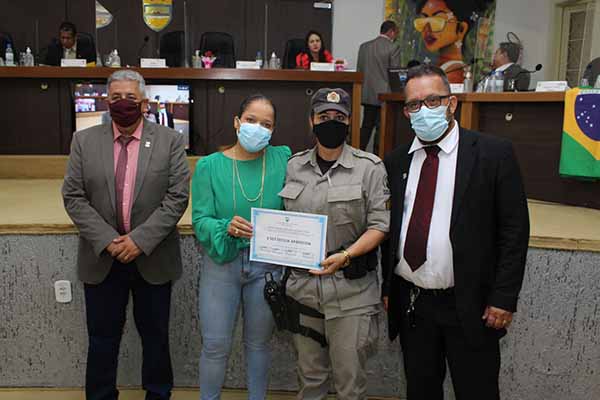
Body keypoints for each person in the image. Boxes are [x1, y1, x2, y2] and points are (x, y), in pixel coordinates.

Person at [381, 64, 530, 399]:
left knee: (477, 391)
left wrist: (503, 298)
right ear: (406, 112)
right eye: (414, 104)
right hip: (413, 305)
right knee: (420, 390)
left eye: (433, 100)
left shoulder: (493, 154)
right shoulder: (396, 162)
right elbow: (390, 229)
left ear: (452, 103)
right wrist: (389, 287)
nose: (424, 110)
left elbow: (514, 231)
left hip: (471, 305)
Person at [62, 69, 190, 400]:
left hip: (153, 256)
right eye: (116, 97)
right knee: (102, 339)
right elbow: (73, 197)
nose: (123, 103)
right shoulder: (84, 141)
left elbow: (177, 198)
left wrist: (139, 241)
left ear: (144, 103)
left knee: (156, 338)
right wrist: (108, 240)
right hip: (102, 258)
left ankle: (158, 395)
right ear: (107, 101)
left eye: (131, 97)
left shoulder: (171, 141)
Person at [281, 88, 390, 400]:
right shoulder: (294, 166)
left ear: (349, 122)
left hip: (351, 293)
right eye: (324, 116)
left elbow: (380, 225)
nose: (331, 122)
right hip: (303, 290)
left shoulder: (370, 167)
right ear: (311, 121)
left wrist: (346, 255)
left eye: (339, 117)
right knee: (310, 380)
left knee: (349, 385)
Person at [191, 94, 290, 400]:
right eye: (250, 120)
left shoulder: (283, 159)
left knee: (259, 344)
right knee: (215, 345)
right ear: (237, 122)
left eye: (266, 124)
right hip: (222, 264)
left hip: (267, 265)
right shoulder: (209, 166)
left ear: (273, 131)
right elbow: (200, 221)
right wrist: (225, 227)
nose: (257, 128)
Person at [413, 0, 493, 83]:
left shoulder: (455, 73)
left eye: (437, 22)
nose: (427, 30)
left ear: (461, 29)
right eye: (422, 22)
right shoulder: (443, 67)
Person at [357, 20, 401, 152]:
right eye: (396, 33)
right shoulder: (393, 48)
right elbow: (395, 74)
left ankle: (357, 153)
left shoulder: (364, 47)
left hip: (367, 94)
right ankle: (378, 156)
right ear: (391, 32)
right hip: (385, 96)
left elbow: (359, 71)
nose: (396, 36)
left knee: (366, 126)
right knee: (381, 129)